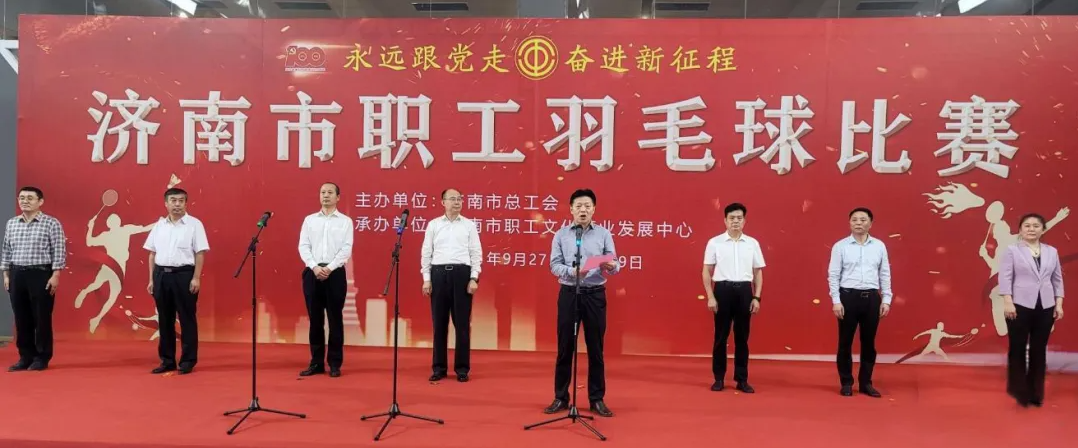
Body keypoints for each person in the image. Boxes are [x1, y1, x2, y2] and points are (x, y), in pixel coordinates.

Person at [543, 189, 619, 418]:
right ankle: (560, 397)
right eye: (578, 206)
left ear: (594, 209)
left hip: (595, 294)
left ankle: (597, 398)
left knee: (596, 348)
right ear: (571, 209)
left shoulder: (603, 234)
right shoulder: (561, 235)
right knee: (565, 347)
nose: (583, 210)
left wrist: (611, 266)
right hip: (569, 293)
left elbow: (614, 262)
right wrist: (572, 272)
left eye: (587, 206)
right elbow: (554, 265)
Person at [999, 213, 1065, 407]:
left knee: (1039, 349)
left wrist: (1058, 303)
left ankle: (1036, 393)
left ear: (1043, 230)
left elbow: (1057, 279)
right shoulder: (1012, 250)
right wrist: (1008, 301)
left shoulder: (1052, 251)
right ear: (1020, 230)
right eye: (1027, 225)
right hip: (1018, 305)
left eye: (1036, 226)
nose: (1031, 229)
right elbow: (1005, 277)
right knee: (1018, 347)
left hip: (1046, 306)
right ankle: (1019, 390)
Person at [827, 207, 892, 398]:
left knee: (869, 343)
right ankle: (846, 382)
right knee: (845, 342)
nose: (858, 223)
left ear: (870, 223)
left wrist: (886, 299)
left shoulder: (879, 246)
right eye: (854, 219)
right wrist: (836, 301)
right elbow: (833, 275)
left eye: (863, 220)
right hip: (848, 297)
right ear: (849, 223)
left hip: (872, 298)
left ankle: (866, 383)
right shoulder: (840, 246)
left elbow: (885, 273)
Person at [143, 188, 209, 375]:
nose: (177, 204)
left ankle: (188, 361)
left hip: (184, 275)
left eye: (181, 200)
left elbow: (200, 253)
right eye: (173, 200)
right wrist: (151, 279)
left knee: (187, 319)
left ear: (186, 203)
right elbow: (152, 254)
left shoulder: (194, 224)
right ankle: (167, 360)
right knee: (164, 320)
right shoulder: (159, 226)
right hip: (161, 275)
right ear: (166, 203)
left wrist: (196, 277)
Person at [420, 188, 482, 382]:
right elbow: (426, 252)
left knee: (462, 324)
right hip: (438, 275)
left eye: (459, 199)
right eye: (452, 199)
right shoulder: (434, 225)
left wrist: (474, 277)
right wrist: (426, 279)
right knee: (439, 324)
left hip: (462, 275)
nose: (457, 202)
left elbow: (476, 252)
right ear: (443, 202)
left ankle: (462, 368)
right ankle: (439, 368)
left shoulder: (469, 225)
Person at [702, 203, 764, 393]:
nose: (735, 221)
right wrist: (710, 296)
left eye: (739, 218)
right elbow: (706, 270)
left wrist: (757, 297)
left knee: (742, 337)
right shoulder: (715, 242)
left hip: (744, 291)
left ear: (744, 221)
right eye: (732, 218)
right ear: (725, 220)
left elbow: (758, 272)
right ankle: (719, 378)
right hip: (722, 290)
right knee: (720, 336)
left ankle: (741, 379)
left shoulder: (752, 243)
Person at [2, 186, 66, 372]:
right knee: (21, 318)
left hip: (41, 274)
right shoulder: (12, 223)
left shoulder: (51, 223)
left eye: (30, 198)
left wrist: (56, 274)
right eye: (21, 198)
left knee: (41, 317)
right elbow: (6, 250)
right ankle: (25, 356)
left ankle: (42, 357)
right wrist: (6, 274)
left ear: (40, 202)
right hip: (17, 274)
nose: (25, 201)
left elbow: (58, 250)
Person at [298, 182, 353, 378]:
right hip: (312, 272)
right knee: (315, 320)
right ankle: (316, 363)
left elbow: (346, 248)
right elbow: (303, 246)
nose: (326, 195)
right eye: (322, 192)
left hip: (335, 273)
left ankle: (335, 363)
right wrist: (314, 266)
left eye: (330, 192)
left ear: (338, 197)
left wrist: (329, 268)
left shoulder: (345, 221)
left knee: (335, 319)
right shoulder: (310, 220)